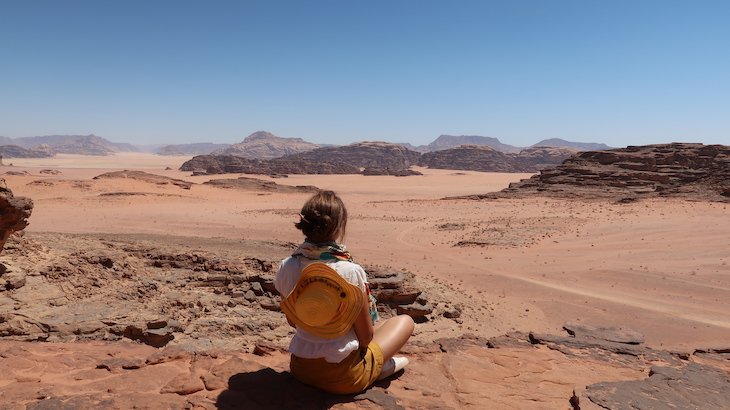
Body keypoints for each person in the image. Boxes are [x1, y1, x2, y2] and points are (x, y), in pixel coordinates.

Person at [275, 190, 415, 394]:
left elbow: (292, 321)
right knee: (404, 322)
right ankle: (374, 370)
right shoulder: (350, 271)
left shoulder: (286, 266)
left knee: (385, 327)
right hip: (344, 377)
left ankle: (377, 368)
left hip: (301, 368)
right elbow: (366, 338)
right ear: (339, 226)